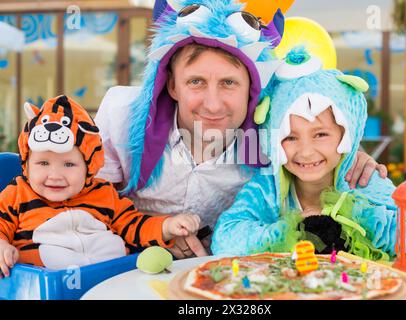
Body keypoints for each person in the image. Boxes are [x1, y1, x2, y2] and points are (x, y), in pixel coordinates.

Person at [94, 0, 387, 259]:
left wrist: (351, 158)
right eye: (196, 82)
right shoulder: (123, 115)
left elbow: (314, 135)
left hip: (226, 277)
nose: (212, 104)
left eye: (228, 83)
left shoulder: (269, 137)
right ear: (171, 84)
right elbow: (85, 200)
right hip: (128, 262)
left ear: (252, 88)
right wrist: (155, 231)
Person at [211, 48, 406, 260]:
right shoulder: (269, 185)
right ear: (272, 140)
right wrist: (289, 229)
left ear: (346, 133)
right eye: (290, 137)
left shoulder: (362, 178)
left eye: (320, 134)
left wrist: (351, 215)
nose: (306, 152)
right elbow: (225, 238)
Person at [0, 95, 200, 277]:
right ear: (26, 164)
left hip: (111, 281)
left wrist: (166, 226)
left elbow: (133, 225)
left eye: (69, 164)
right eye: (43, 163)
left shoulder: (103, 193)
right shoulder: (17, 194)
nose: (55, 175)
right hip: (48, 285)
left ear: (89, 166)